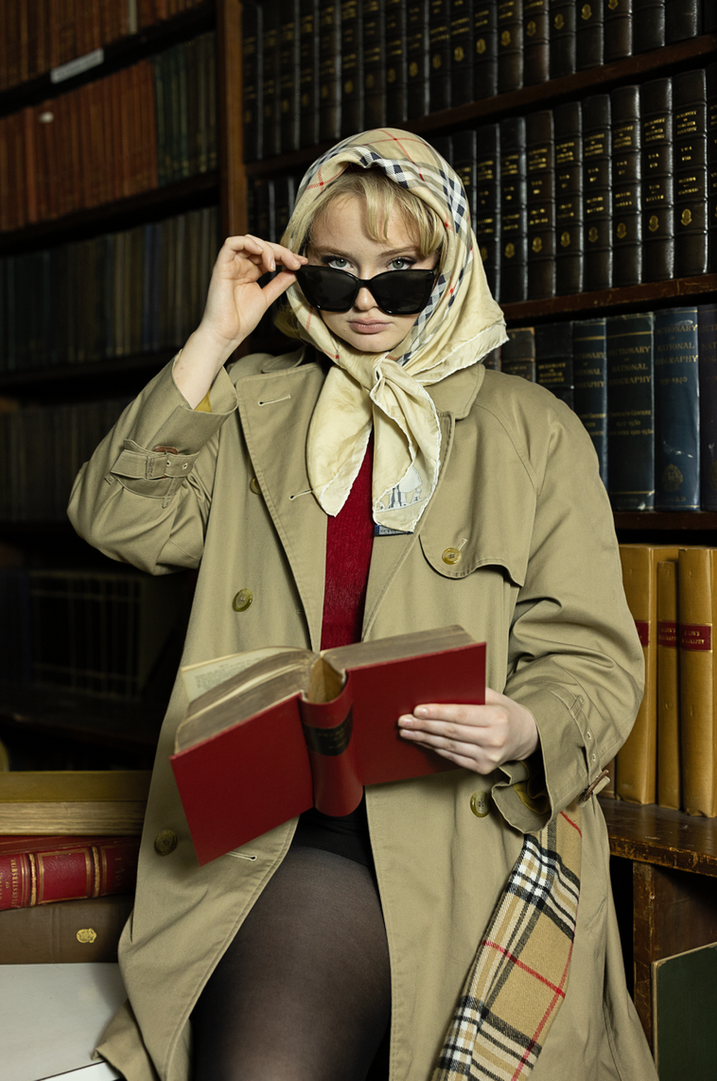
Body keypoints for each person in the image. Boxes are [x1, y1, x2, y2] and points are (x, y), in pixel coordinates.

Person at [68, 129, 658, 1081]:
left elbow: (591, 662)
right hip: (263, 818)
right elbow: (113, 517)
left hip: (449, 822)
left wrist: (522, 725)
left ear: (452, 268)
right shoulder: (252, 400)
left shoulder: (532, 433)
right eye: (336, 275)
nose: (369, 303)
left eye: (403, 274)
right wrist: (215, 336)